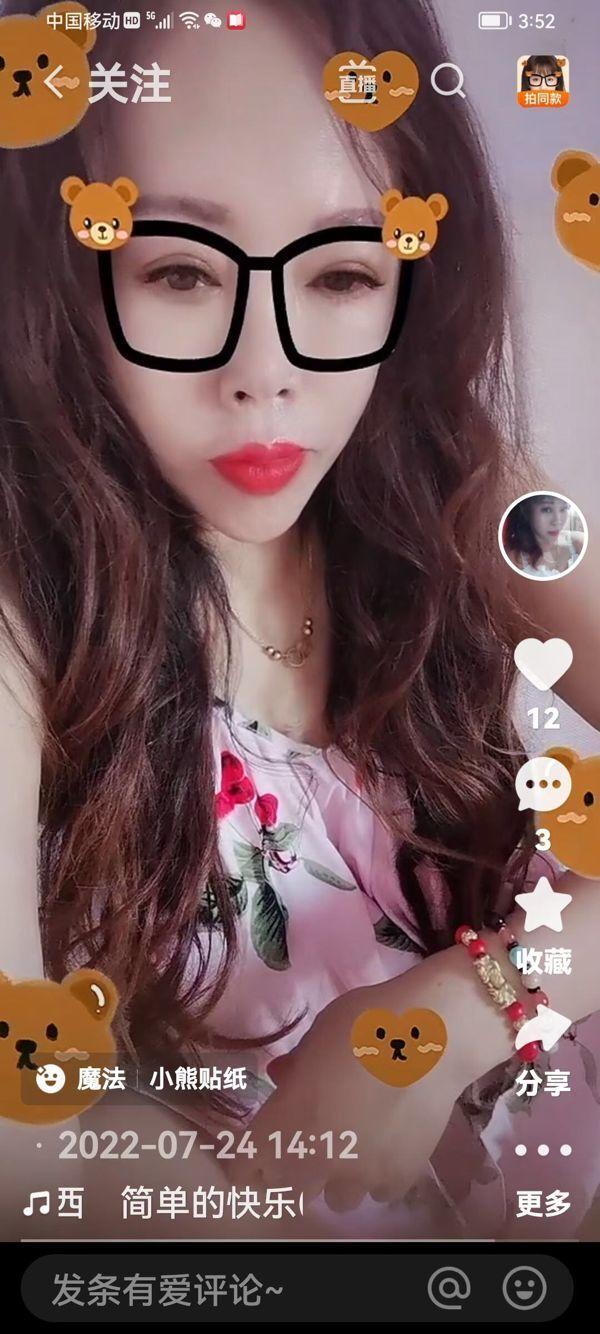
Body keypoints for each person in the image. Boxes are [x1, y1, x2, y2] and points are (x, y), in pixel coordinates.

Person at [1, 0, 600, 1240]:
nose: (266, 370)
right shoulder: (27, 622)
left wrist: (466, 1007)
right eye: (179, 271)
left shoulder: (467, 492)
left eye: (340, 273)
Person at [505, 494, 584, 578]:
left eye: (563, 509)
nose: (558, 521)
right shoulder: (511, 556)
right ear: (526, 511)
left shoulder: (579, 543)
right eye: (547, 510)